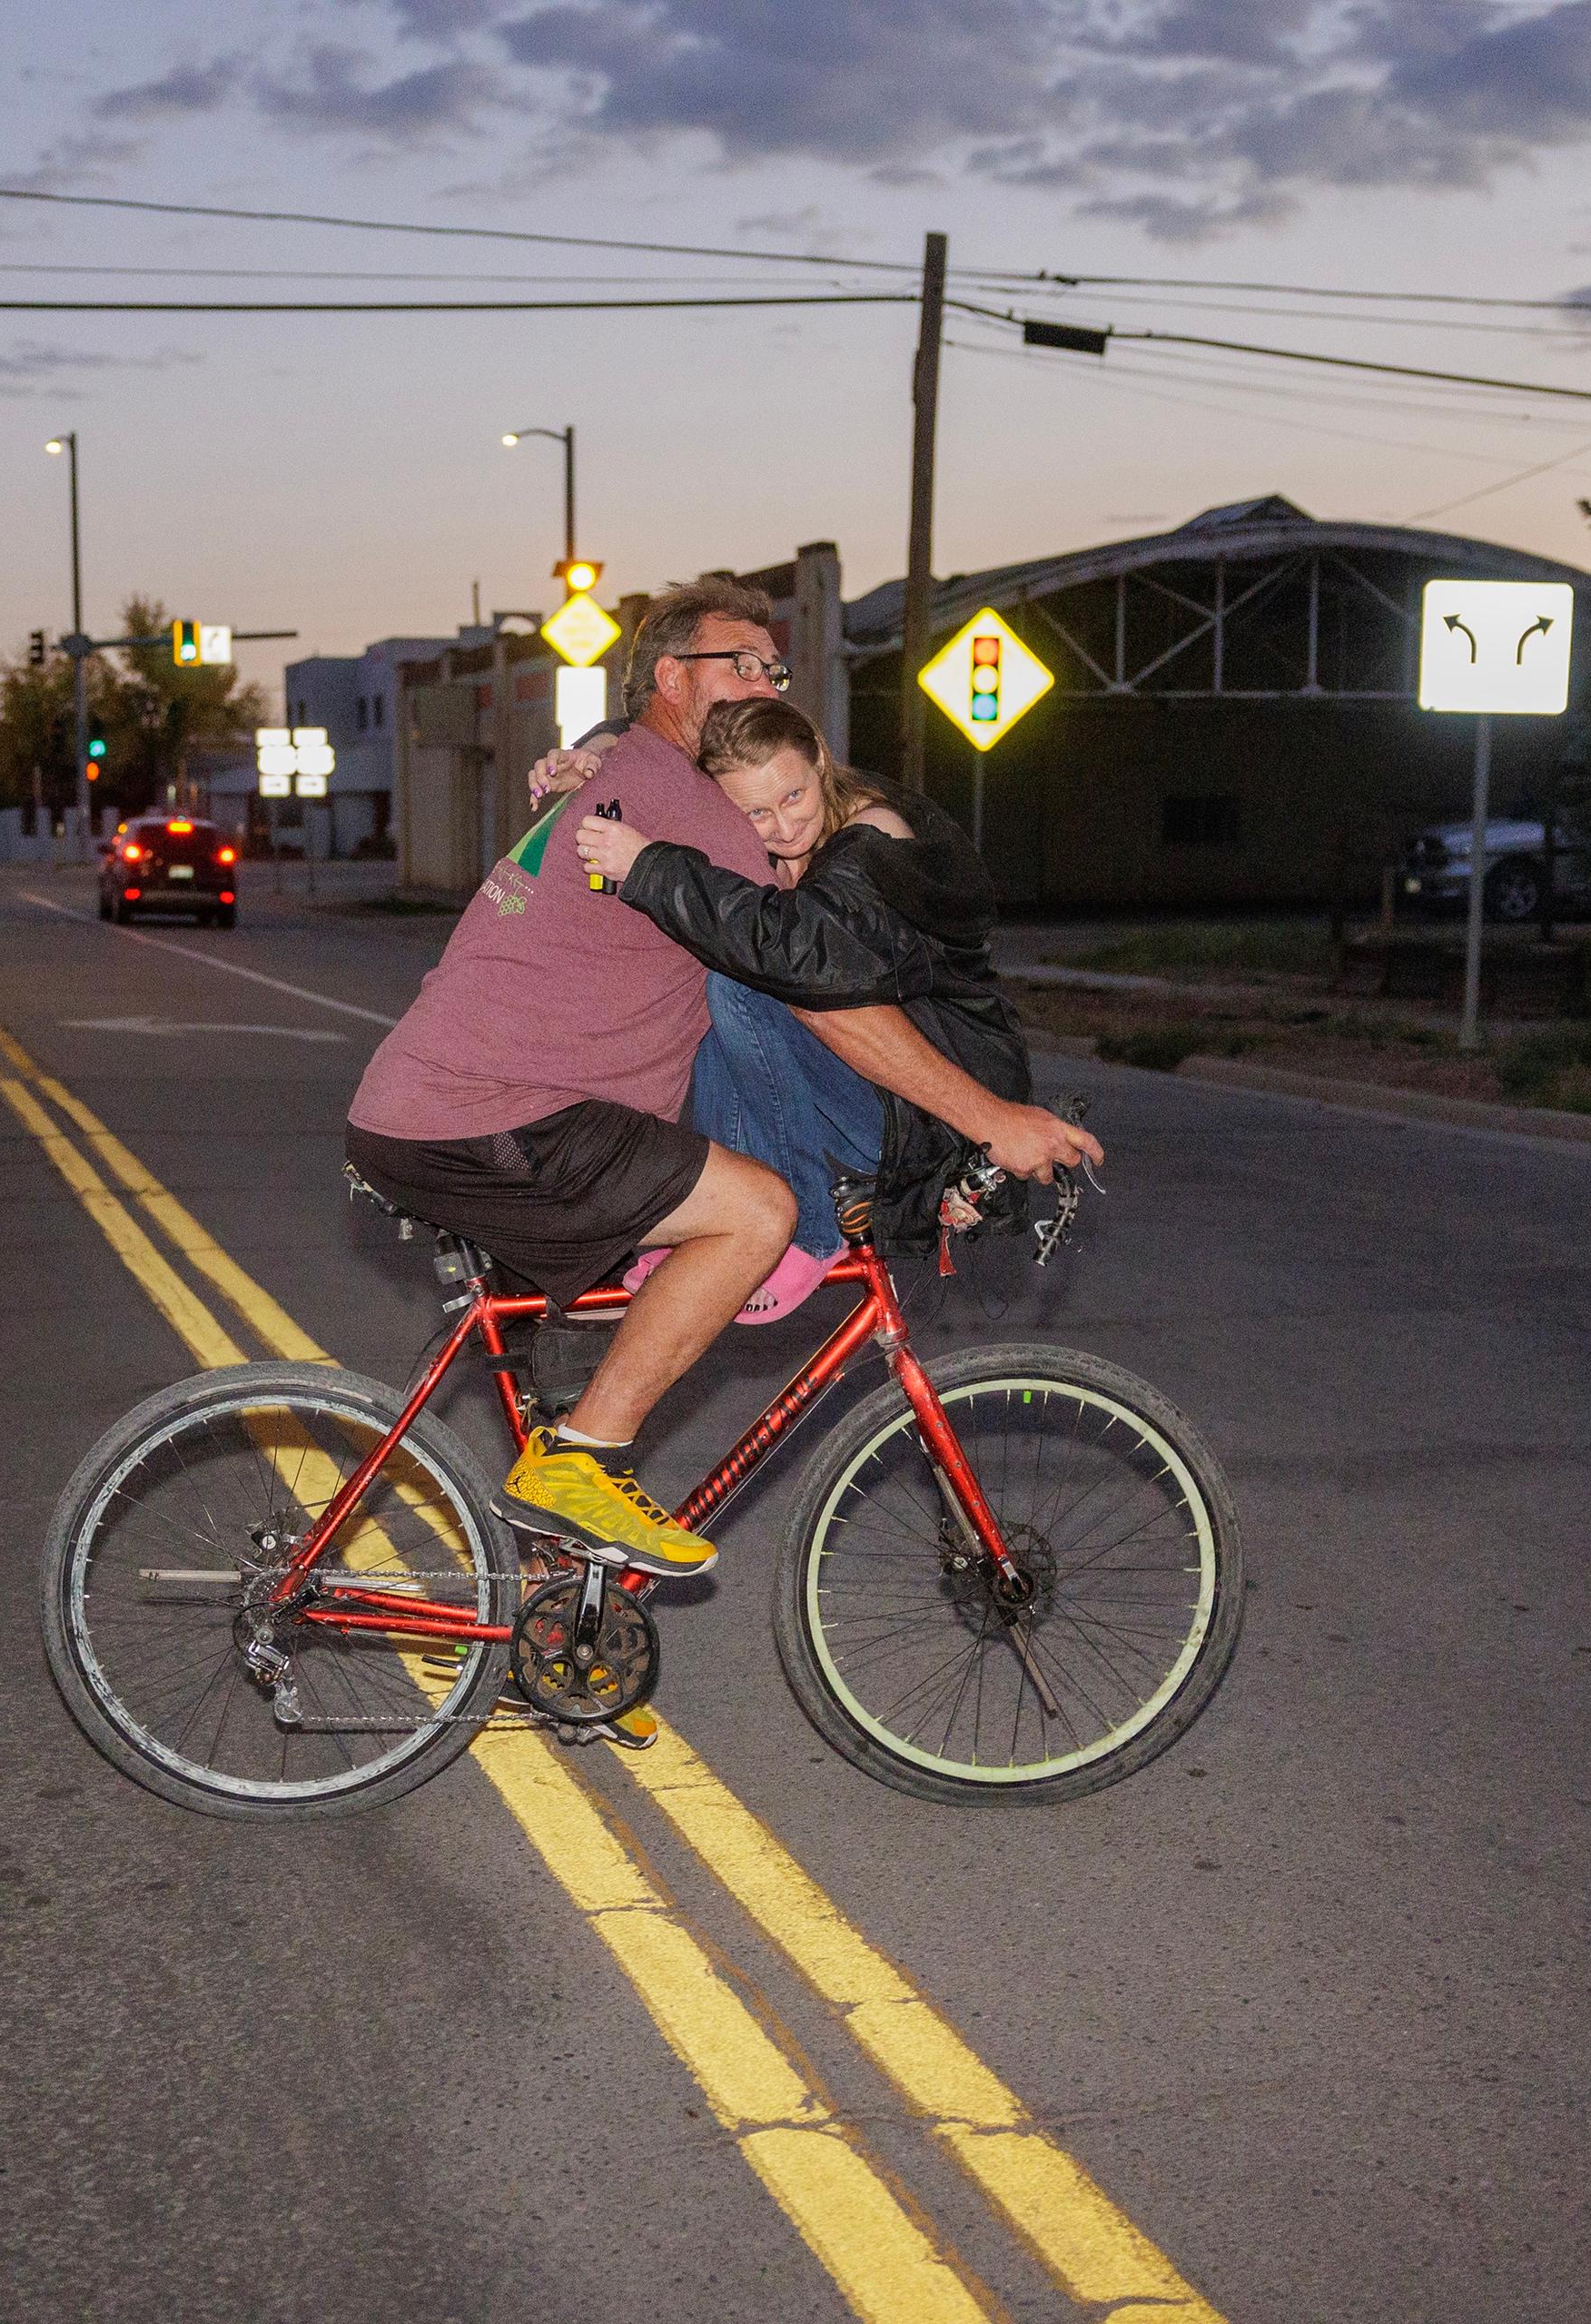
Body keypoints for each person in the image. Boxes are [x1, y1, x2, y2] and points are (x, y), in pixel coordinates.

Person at [344, 579, 1100, 1607]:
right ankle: (579, 1466)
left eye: (773, 669)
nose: (762, 680)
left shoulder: (639, 777)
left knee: (616, 1303)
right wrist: (993, 1120)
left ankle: (563, 1617)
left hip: (463, 1110)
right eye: (737, 663)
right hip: (497, 1116)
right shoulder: (687, 811)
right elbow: (820, 996)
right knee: (757, 1214)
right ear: (672, 679)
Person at [567, 696, 1028, 1305]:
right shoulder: (765, 846)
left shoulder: (874, 836)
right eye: (755, 811)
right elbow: (668, 733)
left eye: (794, 796)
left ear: (819, 764)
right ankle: (713, 1220)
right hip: (863, 1093)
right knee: (717, 982)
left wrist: (650, 866)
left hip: (923, 1115)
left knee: (741, 981)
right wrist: (600, 748)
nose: (784, 825)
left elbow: (798, 952)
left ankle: (808, 1231)